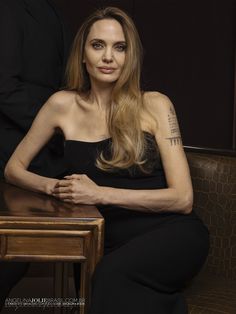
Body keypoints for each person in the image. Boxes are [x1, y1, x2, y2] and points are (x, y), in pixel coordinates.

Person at [4, 6, 209, 314]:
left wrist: (98, 194)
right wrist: (56, 187)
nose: (108, 57)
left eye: (120, 47)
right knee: (105, 277)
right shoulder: (62, 105)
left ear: (130, 56)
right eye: (98, 45)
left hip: (171, 233)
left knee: (109, 277)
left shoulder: (155, 104)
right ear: (83, 54)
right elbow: (13, 169)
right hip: (103, 240)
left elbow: (183, 199)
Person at [0, 0, 71, 310]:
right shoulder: (8, 8)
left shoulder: (53, 10)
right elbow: (4, 88)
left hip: (49, 150)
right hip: (15, 147)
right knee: (14, 256)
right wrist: (53, 127)